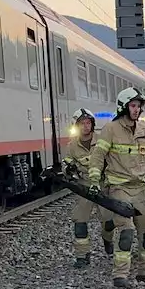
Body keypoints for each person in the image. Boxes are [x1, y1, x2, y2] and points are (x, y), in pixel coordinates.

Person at [87, 87, 145, 289]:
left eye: (139, 106)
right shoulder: (110, 129)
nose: (137, 110)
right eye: (133, 106)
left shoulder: (142, 131)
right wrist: (95, 179)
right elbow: (98, 156)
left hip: (139, 189)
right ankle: (120, 275)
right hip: (118, 188)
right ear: (124, 107)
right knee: (126, 231)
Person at [62, 108, 114, 268]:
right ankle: (82, 256)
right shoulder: (72, 146)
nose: (86, 126)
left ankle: (108, 241)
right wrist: (68, 169)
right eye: (82, 124)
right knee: (80, 221)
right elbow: (66, 162)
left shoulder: (102, 141)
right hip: (84, 187)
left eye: (88, 123)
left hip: (102, 186)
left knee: (108, 221)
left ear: (92, 125)